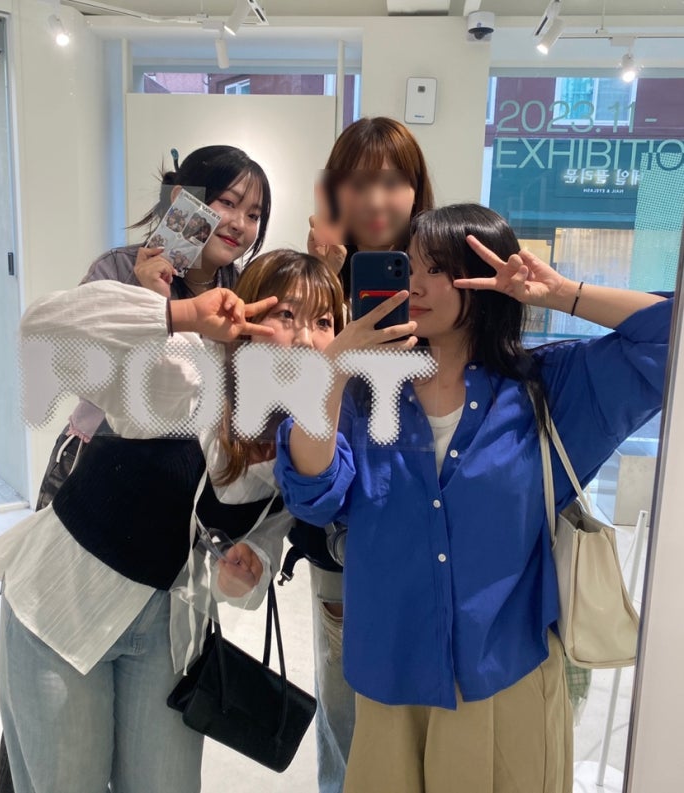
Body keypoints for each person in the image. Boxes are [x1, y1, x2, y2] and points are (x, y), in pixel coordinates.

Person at [275, 203, 673, 793]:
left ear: (484, 280)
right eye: (407, 267)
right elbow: (312, 494)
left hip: (503, 675)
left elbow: (669, 336)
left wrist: (561, 294)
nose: (414, 284)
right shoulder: (360, 395)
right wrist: (331, 370)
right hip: (392, 674)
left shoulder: (547, 389)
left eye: (436, 269)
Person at [0, 248, 344, 793]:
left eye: (325, 321)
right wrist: (177, 315)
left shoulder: (305, 441)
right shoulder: (185, 372)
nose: (307, 338)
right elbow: (41, 330)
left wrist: (249, 566)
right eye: (287, 315)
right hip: (61, 609)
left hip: (169, 636)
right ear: (249, 314)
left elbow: (265, 547)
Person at [0, 143, 272, 793]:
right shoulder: (125, 269)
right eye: (225, 201)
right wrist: (161, 307)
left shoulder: (242, 298)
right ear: (184, 199)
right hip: (92, 483)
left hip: (173, 567)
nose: (239, 221)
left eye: (255, 212)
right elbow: (57, 344)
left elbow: (241, 449)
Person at [291, 116, 435, 793]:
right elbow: (282, 402)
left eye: (393, 180)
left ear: (416, 189)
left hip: (431, 537)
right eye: (357, 182)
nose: (376, 199)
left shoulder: (440, 282)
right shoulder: (312, 290)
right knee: (349, 733)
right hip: (343, 542)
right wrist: (324, 290)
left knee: (427, 732)